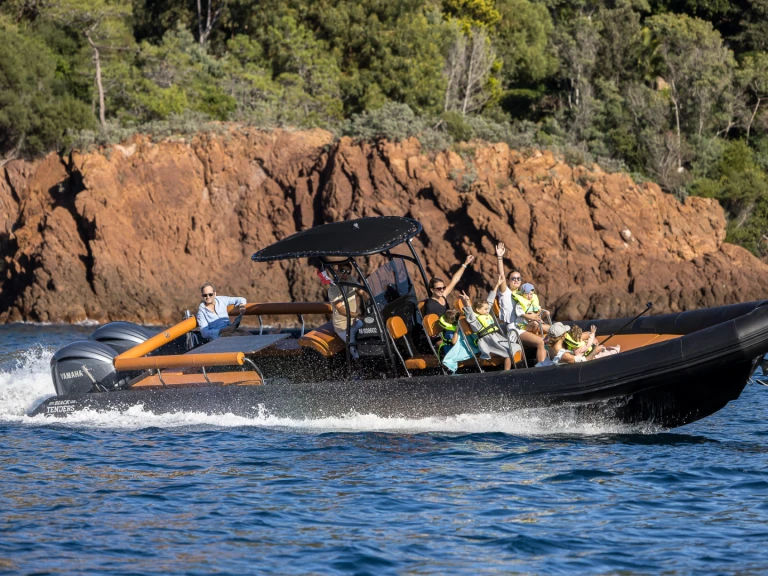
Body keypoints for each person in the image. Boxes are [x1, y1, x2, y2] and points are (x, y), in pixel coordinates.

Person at [458, 291, 522, 371]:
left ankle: (517, 368)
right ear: (478, 310)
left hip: (495, 337)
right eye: (485, 309)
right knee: (510, 350)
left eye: (488, 309)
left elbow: (490, 302)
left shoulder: (485, 314)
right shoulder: (475, 321)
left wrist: (497, 285)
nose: (488, 311)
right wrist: (466, 302)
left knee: (516, 346)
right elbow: (470, 313)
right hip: (488, 341)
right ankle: (507, 372)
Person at [327, 264, 365, 358]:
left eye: (348, 272)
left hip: (354, 322)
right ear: (337, 272)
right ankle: (359, 370)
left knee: (371, 331)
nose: (345, 274)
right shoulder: (333, 289)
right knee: (354, 349)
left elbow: (362, 292)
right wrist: (358, 315)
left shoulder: (351, 280)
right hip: (343, 327)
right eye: (342, 271)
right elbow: (340, 310)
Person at [536, 322, 606, 366]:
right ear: (563, 336)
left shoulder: (549, 346)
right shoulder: (563, 355)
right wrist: (595, 351)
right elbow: (584, 360)